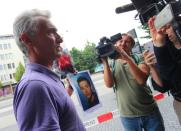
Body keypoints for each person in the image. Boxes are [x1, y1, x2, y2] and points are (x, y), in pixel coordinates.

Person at [13, 9, 86, 131]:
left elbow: (55, 108)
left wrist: (69, 89)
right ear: (27, 40)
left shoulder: (44, 79)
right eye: (50, 32)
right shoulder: (35, 86)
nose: (60, 39)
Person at [101, 33, 165, 131]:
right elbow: (109, 84)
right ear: (116, 44)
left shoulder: (140, 58)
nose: (123, 43)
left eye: (127, 42)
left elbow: (141, 80)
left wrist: (126, 57)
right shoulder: (112, 63)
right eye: (121, 41)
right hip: (128, 116)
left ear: (131, 46)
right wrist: (105, 61)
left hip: (149, 112)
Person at [148, 16, 181, 124]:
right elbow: (165, 84)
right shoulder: (166, 47)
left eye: (169, 26)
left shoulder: (163, 49)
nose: (166, 31)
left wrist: (159, 45)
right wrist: (152, 68)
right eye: (164, 27)